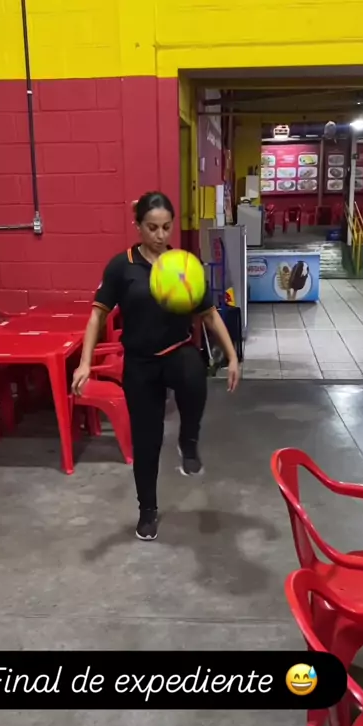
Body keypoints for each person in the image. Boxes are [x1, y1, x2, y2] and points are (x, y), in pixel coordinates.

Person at [72, 191, 240, 541]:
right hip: (140, 365)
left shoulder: (184, 265)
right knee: (146, 442)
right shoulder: (122, 267)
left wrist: (233, 356)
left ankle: (188, 441)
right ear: (138, 226)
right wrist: (85, 363)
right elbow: (97, 316)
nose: (160, 235)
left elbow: (209, 314)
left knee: (194, 370)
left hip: (177, 352)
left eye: (166, 227)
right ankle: (147, 510)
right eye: (152, 227)